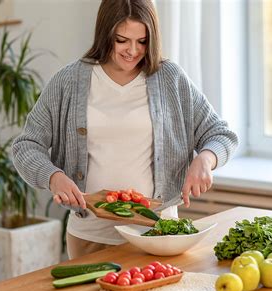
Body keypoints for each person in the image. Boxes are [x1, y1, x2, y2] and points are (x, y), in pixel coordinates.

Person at [12, 0, 238, 259]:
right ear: (105, 33)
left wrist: (205, 159)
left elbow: (221, 134)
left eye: (142, 41)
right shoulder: (69, 81)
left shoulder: (169, 78)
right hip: (91, 237)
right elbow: (26, 146)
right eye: (122, 40)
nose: (133, 51)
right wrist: (53, 177)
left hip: (158, 234)